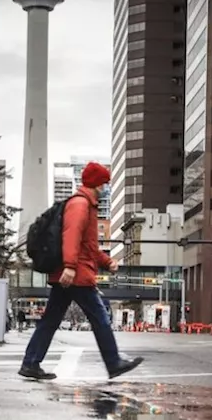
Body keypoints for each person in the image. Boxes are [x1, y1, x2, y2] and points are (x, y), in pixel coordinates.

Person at [19, 161, 143, 381]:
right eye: (104, 183)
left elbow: (89, 247)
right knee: (100, 317)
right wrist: (69, 266)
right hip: (76, 275)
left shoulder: (86, 204)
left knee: (50, 320)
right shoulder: (80, 204)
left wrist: (107, 262)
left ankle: (30, 363)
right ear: (96, 183)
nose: (105, 188)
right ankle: (113, 363)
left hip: (71, 273)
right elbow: (71, 235)